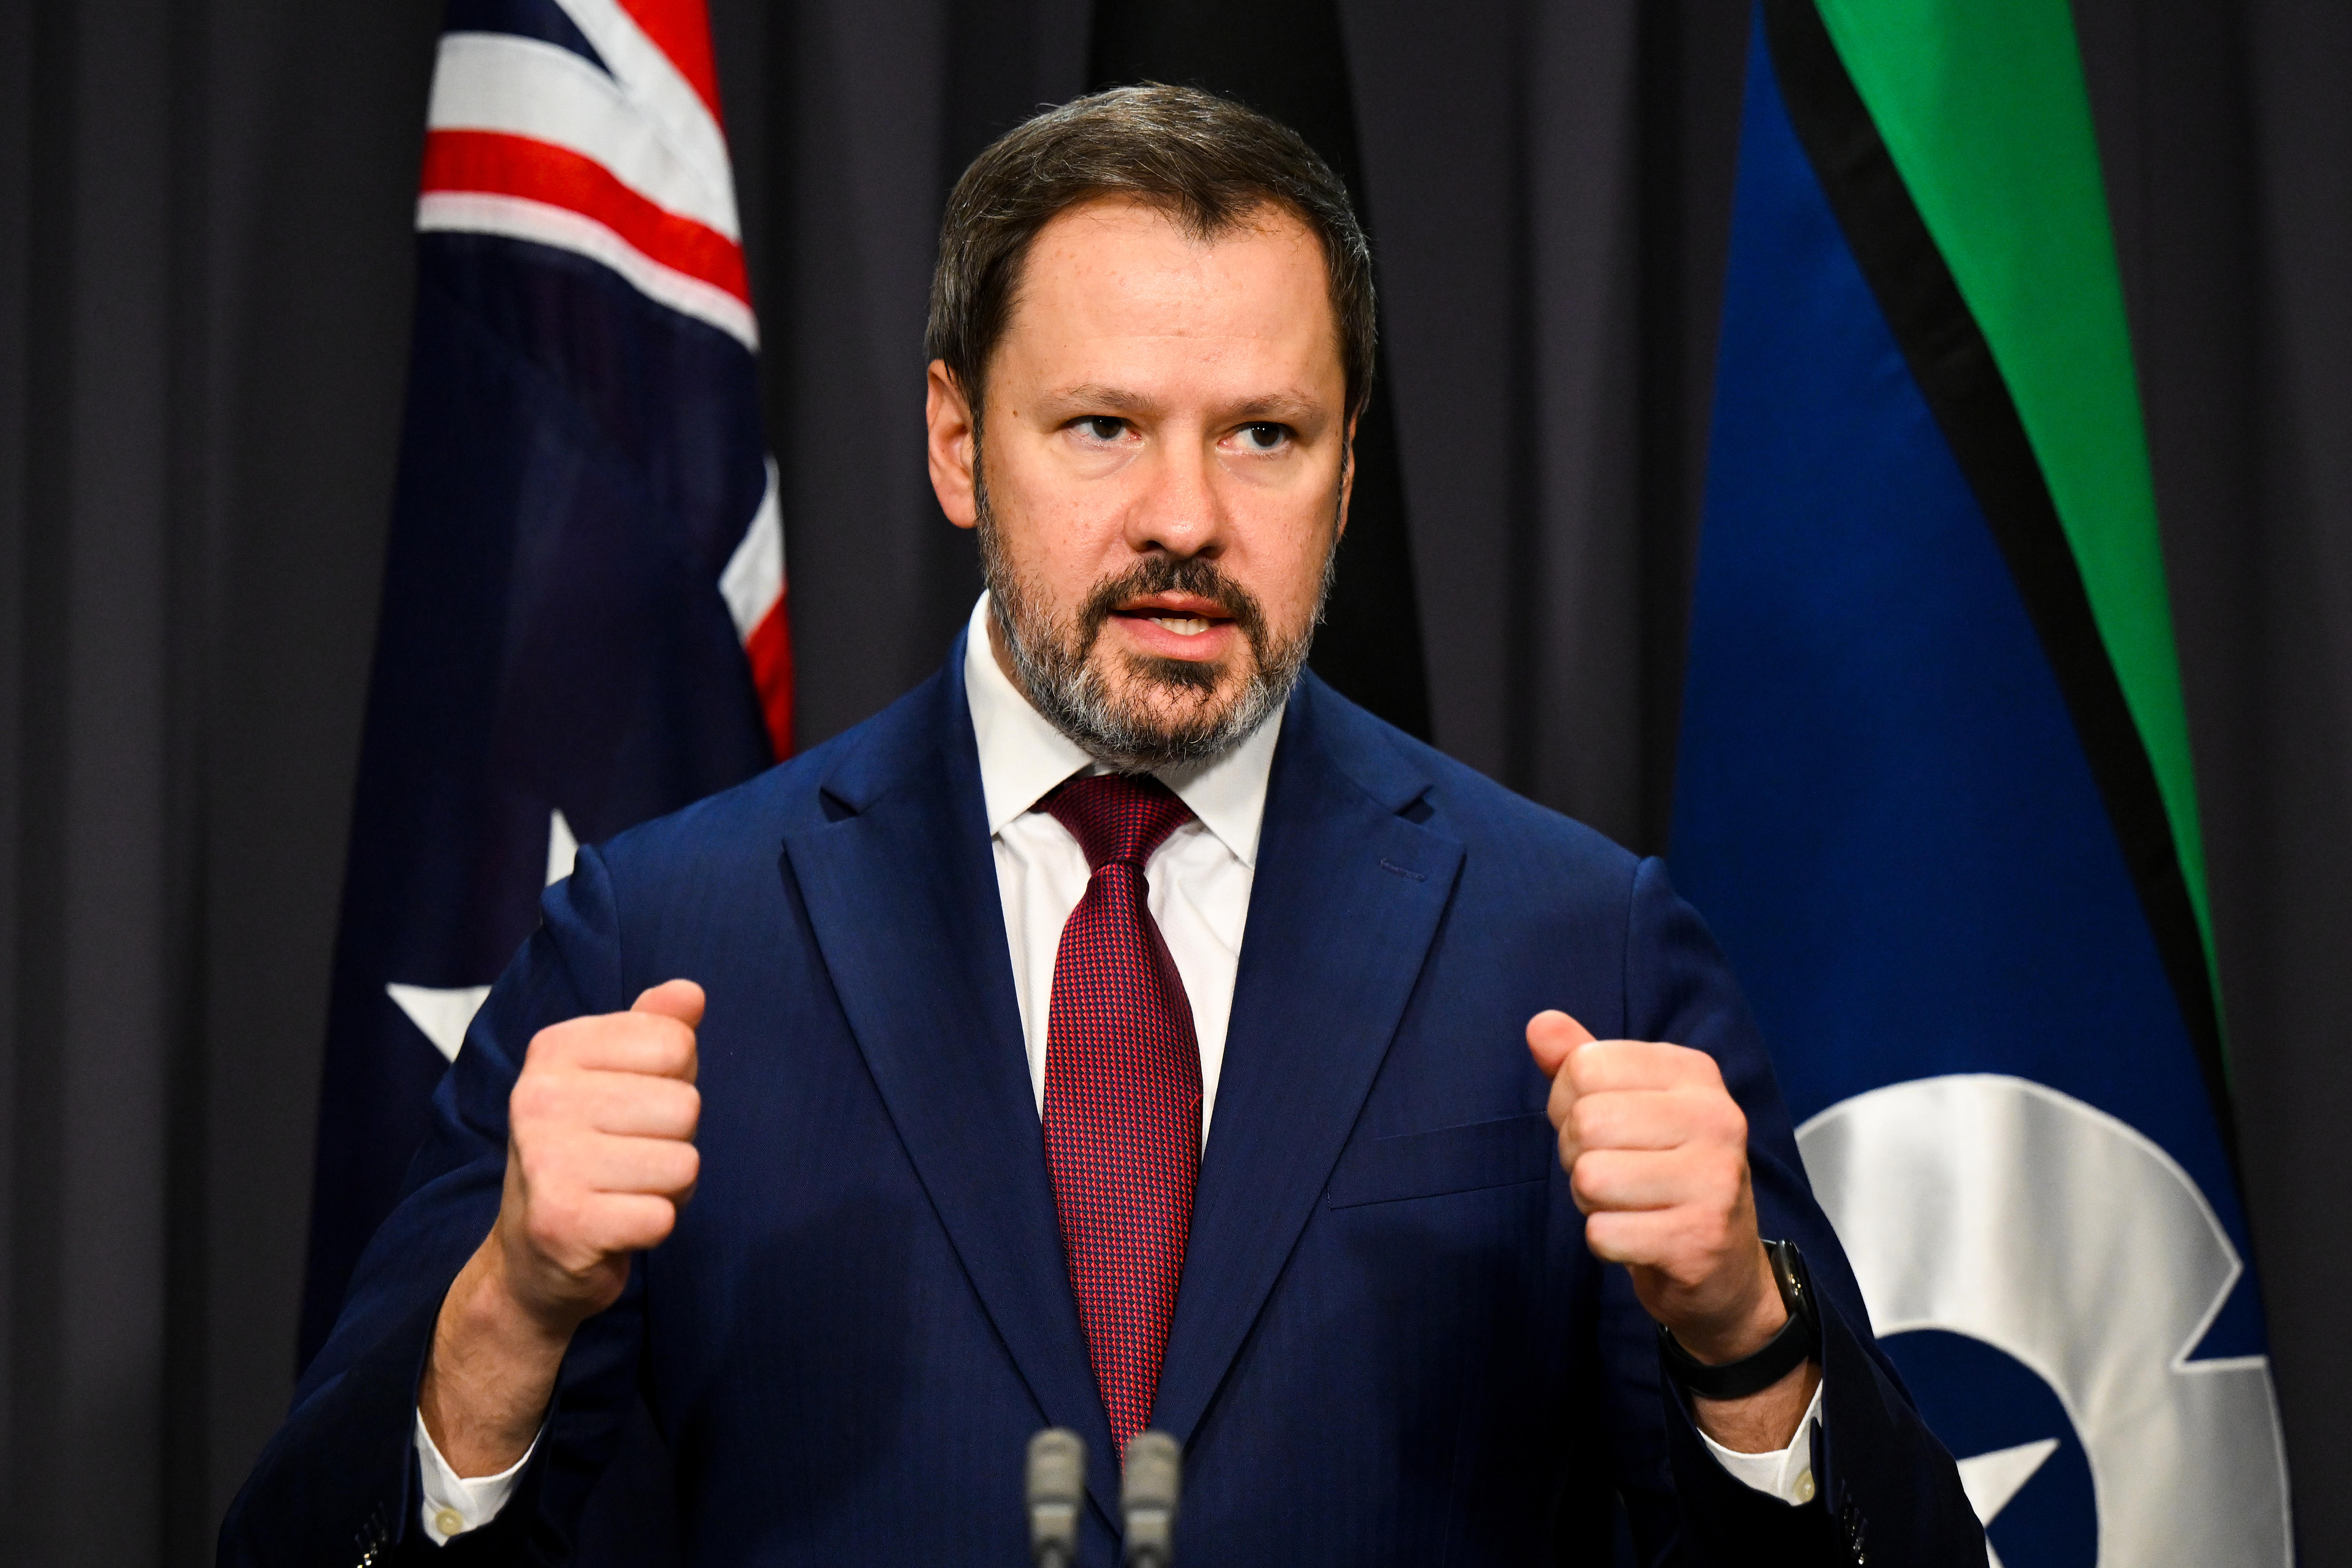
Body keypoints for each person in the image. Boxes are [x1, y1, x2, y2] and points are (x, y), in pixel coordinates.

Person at [222, 86, 1981, 1566]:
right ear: (957, 443)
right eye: (1102, 427)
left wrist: (1746, 1338)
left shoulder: (1578, 941)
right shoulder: (666, 937)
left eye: (1265, 435)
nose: (1184, 517)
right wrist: (510, 1312)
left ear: (1349, 470)